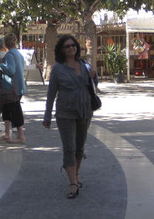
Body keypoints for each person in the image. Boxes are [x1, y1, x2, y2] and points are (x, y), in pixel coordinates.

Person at [43, 34, 98, 199]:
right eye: (67, 46)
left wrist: (94, 76)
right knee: (70, 148)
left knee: (80, 147)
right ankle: (73, 183)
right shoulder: (57, 69)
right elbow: (51, 94)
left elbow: (94, 85)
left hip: (85, 111)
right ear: (61, 49)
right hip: (65, 113)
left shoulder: (84, 64)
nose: (71, 48)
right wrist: (47, 116)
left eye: (73, 45)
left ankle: (76, 174)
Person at [0, 33, 26, 144]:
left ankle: (20, 135)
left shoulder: (9, 55)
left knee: (14, 110)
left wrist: (1, 64)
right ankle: (7, 134)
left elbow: (11, 70)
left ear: (5, 43)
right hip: (18, 86)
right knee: (8, 109)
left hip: (10, 88)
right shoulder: (19, 54)